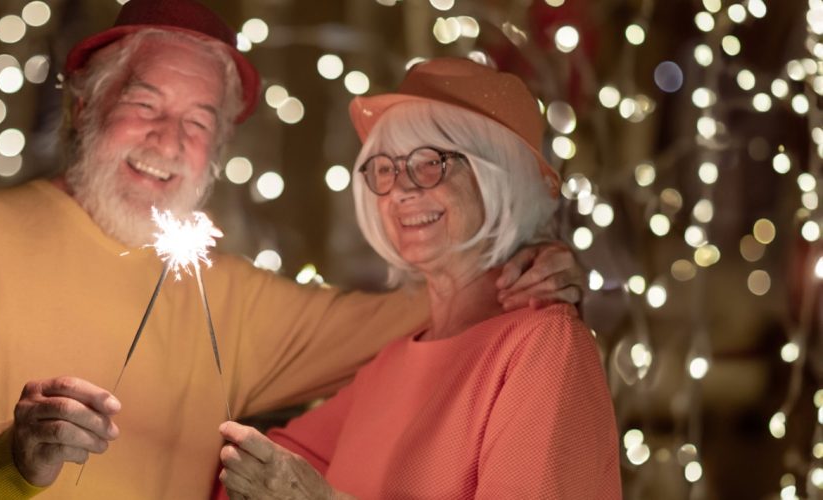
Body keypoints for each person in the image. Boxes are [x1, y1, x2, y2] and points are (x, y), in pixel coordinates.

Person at [0, 1, 584, 498]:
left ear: (217, 149)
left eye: (198, 122)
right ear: (86, 105)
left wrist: (515, 263)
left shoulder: (226, 294)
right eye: (144, 105)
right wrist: (5, 455)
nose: (168, 142)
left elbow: (417, 314)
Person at [216, 58, 620, 499]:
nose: (402, 189)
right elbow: (250, 475)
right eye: (386, 168)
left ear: (499, 179)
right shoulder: (390, 361)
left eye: (431, 163)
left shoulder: (545, 345)